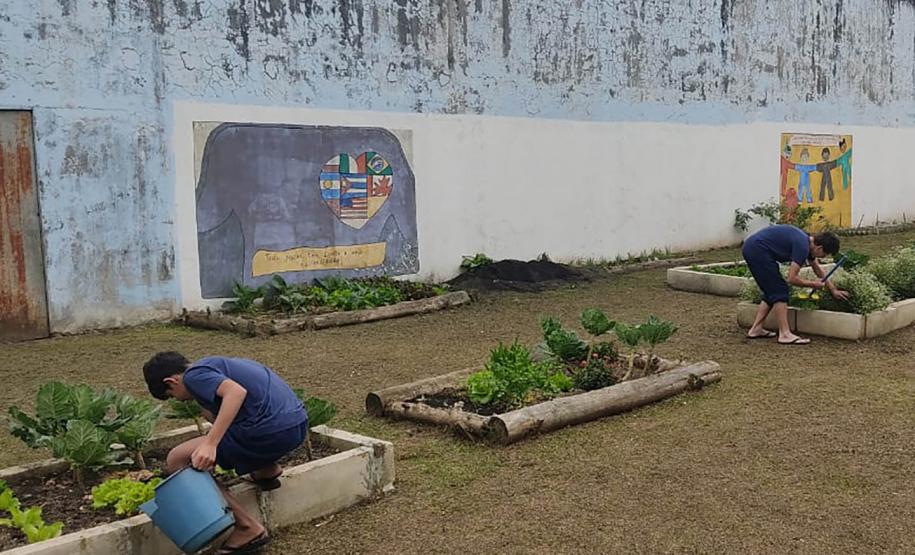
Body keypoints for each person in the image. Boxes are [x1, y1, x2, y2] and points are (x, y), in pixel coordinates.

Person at [143, 353, 309, 554]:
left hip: (266, 433)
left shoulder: (193, 377)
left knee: (177, 458)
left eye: (171, 395)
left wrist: (210, 444)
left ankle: (246, 528)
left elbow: (235, 393)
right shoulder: (220, 364)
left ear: (171, 381)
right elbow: (239, 404)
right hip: (295, 426)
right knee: (228, 429)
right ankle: (266, 470)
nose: (177, 400)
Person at [742, 225, 848, 345]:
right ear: (819, 247)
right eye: (824, 255)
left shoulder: (807, 242)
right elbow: (792, 278)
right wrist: (813, 284)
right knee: (780, 290)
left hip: (755, 248)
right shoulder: (802, 246)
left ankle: (756, 328)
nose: (822, 257)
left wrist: (833, 290)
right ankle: (785, 334)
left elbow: (818, 270)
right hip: (757, 250)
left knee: (771, 290)